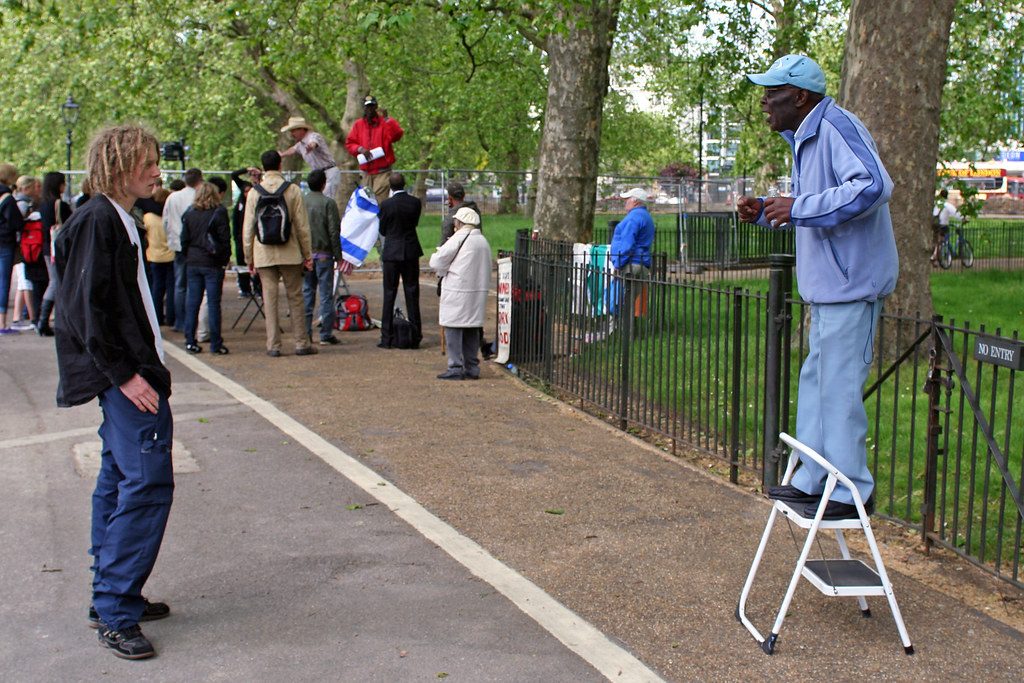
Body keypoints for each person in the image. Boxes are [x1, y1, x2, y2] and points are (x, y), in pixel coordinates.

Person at [737, 54, 899, 520]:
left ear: (800, 96)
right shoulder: (805, 138)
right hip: (828, 289)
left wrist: (798, 205)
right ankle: (812, 480)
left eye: (772, 94)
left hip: (852, 286)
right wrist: (769, 208)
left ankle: (852, 494)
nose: (765, 103)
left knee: (840, 391)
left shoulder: (836, 126)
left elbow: (873, 185)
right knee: (816, 386)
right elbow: (814, 208)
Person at [53, 123, 173, 660]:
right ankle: (116, 608)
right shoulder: (99, 219)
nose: (156, 170)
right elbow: (83, 310)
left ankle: (112, 596)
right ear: (120, 164)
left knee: (121, 479)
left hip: (127, 373)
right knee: (145, 483)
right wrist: (126, 375)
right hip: (126, 379)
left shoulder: (111, 217)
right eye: (147, 162)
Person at [242, 150, 315, 357]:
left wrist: (249, 257)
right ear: (280, 164)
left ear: (263, 167)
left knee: (270, 299)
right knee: (296, 298)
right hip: (290, 251)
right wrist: (307, 255)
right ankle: (302, 342)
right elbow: (302, 226)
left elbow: (248, 228)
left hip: (264, 252)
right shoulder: (292, 190)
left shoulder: (255, 192)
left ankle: (273, 345)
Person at [429, 207, 491, 380]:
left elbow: (437, 261)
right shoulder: (482, 240)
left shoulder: (459, 238)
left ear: (459, 223)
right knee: (471, 328)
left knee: (453, 328)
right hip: (476, 291)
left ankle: (455, 366)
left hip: (458, 290)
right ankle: (472, 367)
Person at [438, 182, 490, 357]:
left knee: (456, 317)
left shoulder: (453, 219)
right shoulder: (476, 214)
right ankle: (474, 353)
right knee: (474, 313)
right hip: (477, 266)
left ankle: (456, 361)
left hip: (458, 269)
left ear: (450, 198)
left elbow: (442, 253)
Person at [180, 181, 231, 355]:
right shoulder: (219, 213)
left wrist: (188, 255)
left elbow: (184, 239)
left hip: (194, 261)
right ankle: (216, 343)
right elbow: (225, 239)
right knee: (213, 303)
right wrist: (224, 259)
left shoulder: (189, 213)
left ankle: (189, 340)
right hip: (212, 262)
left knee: (193, 302)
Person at [377, 172, 423, 349]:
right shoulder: (415, 202)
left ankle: (386, 337)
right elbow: (415, 223)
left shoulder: (387, 204)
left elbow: (383, 228)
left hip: (392, 251)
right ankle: (415, 335)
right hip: (410, 249)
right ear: (404, 184)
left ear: (391, 186)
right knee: (412, 292)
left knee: (389, 293)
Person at [301, 168, 342, 346]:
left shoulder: (302, 202)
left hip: (306, 254)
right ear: (324, 184)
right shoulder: (328, 203)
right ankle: (326, 333)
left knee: (307, 293)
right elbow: (334, 230)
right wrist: (338, 255)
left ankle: (306, 332)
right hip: (324, 253)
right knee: (326, 295)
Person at [610, 188, 655, 334]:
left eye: (627, 199)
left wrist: (618, 262)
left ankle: (625, 336)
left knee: (621, 301)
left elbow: (627, 243)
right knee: (627, 301)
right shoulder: (645, 216)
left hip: (630, 263)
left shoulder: (633, 218)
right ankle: (623, 333)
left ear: (635, 201)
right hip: (641, 262)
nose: (625, 202)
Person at [163, 168, 203, 333]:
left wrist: (171, 239)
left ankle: (180, 321)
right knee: (195, 285)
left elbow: (165, 221)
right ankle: (194, 322)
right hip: (195, 246)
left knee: (180, 285)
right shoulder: (198, 197)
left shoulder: (172, 198)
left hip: (178, 245)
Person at [344, 95, 404, 206]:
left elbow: (396, 136)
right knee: (367, 202)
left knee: (379, 201)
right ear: (363, 108)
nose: (369, 109)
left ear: (376, 107)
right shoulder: (359, 124)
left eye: (372, 106)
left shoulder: (384, 122)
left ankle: (380, 223)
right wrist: (360, 149)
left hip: (382, 171)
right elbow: (349, 144)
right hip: (366, 172)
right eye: (367, 107)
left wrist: (387, 119)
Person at [37, 171, 74, 336]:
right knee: (56, 282)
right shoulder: (59, 204)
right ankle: (43, 321)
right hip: (57, 248)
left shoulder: (42, 203)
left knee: (55, 282)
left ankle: (44, 320)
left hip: (46, 246)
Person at [280, 117, 342, 204]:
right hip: (319, 175)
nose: (291, 134)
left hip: (328, 173)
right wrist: (282, 155)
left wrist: (311, 146)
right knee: (319, 201)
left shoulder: (314, 136)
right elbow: (294, 149)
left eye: (293, 131)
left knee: (327, 201)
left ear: (301, 129)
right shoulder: (300, 144)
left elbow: (314, 142)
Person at [15, 175, 49, 327]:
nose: (38, 190)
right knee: (26, 284)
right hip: (26, 247)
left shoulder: (26, 203)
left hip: (26, 248)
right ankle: (31, 316)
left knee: (25, 284)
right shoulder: (23, 204)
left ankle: (27, 315)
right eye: (36, 187)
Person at [0, 162, 24, 334]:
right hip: (5, 243)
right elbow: (16, 222)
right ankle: (2, 323)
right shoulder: (7, 198)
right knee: (3, 281)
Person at [230, 168, 260, 298]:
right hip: (240, 237)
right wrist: (247, 169)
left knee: (257, 262)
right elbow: (234, 175)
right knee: (242, 263)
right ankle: (245, 289)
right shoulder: (241, 200)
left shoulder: (258, 193)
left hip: (254, 236)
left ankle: (258, 288)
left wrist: (257, 177)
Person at [930, 189, 962, 266]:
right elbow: (956, 214)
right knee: (941, 242)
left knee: (936, 240)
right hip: (943, 225)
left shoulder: (936, 204)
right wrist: (963, 218)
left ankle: (935, 255)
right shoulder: (947, 205)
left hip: (935, 224)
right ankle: (933, 256)